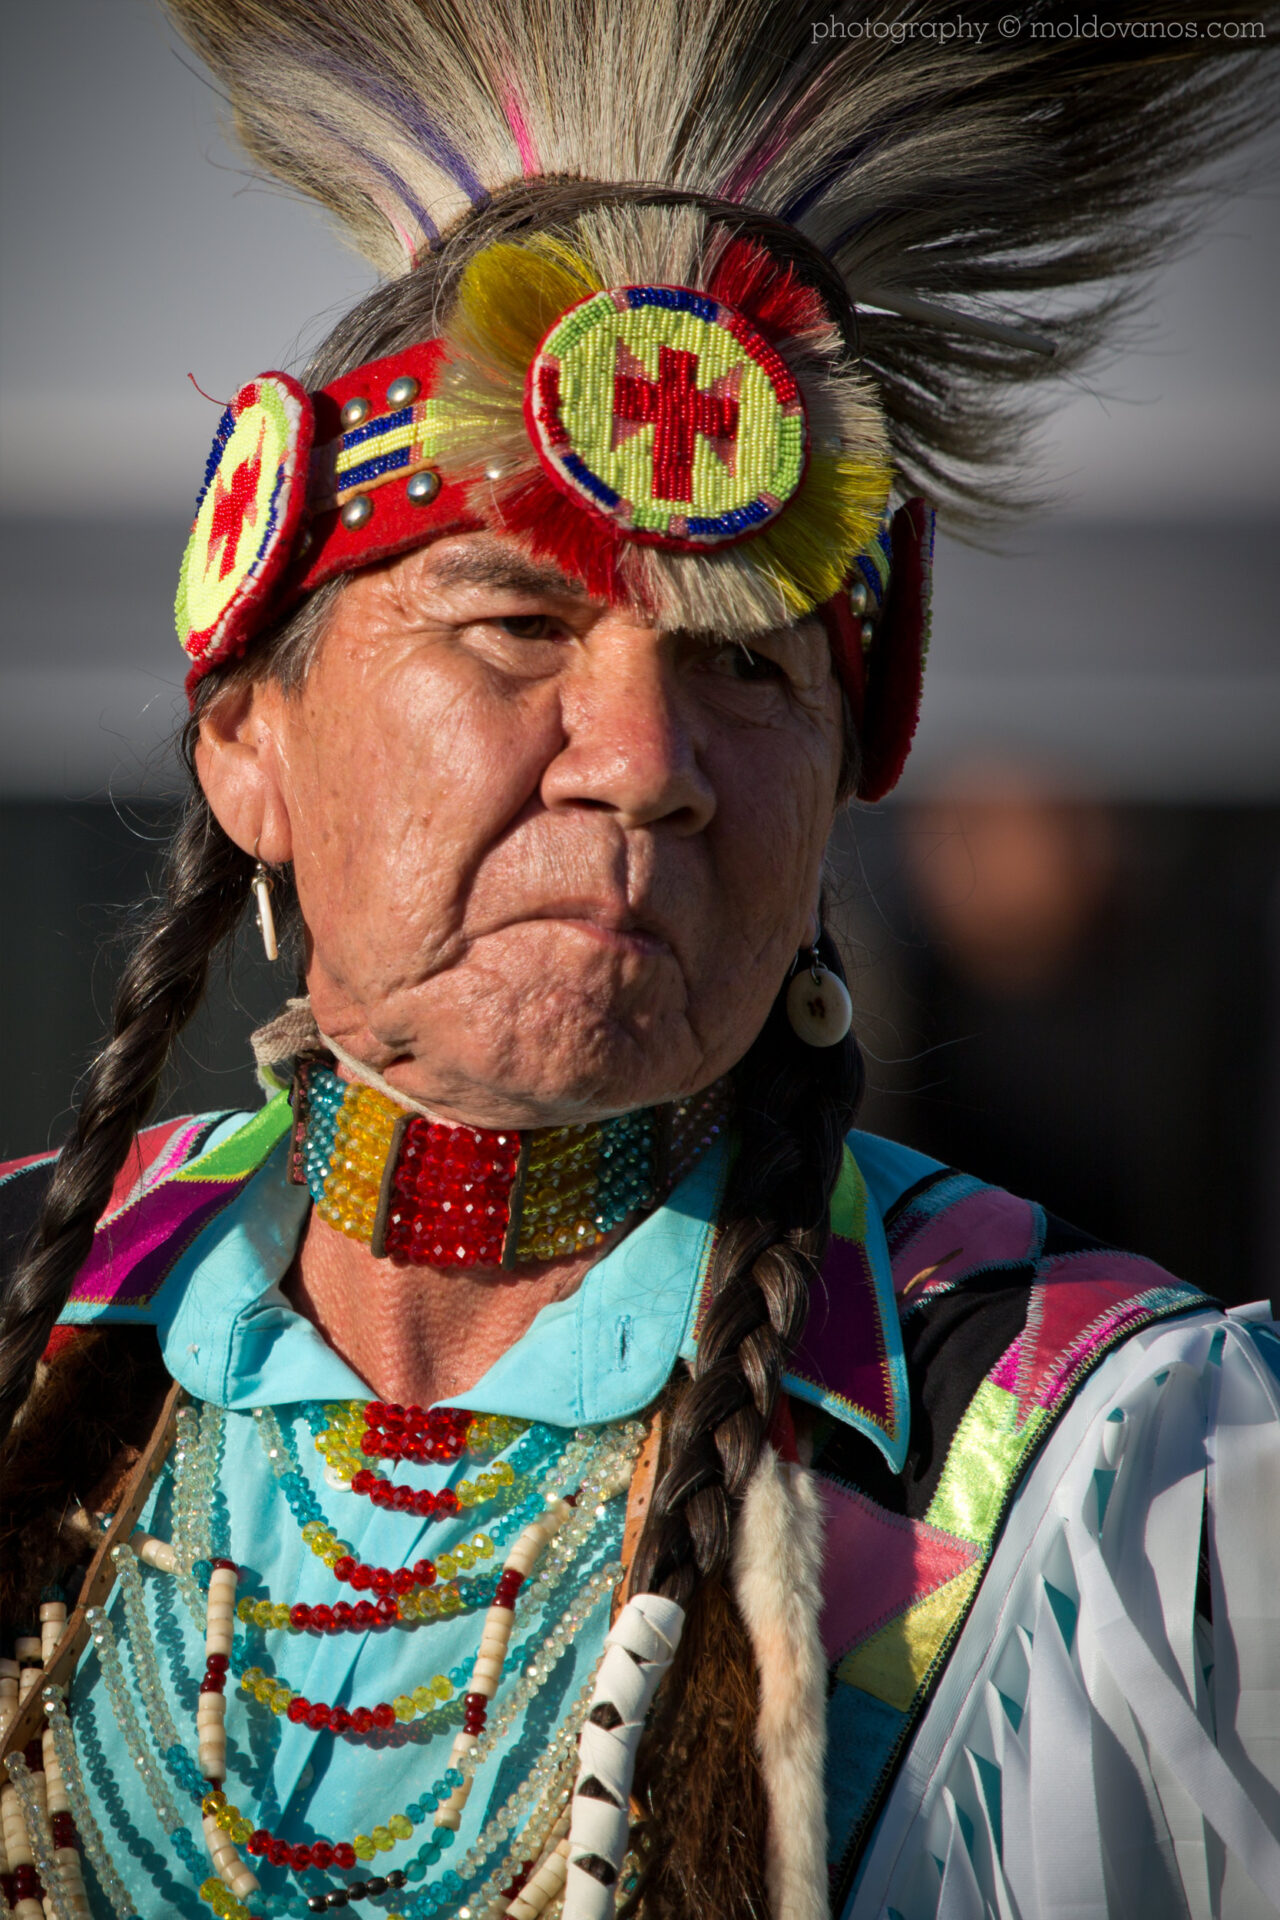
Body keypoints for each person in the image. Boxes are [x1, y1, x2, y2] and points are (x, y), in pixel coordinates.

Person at [1, 4, 1277, 1917]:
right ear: (250, 739)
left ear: (845, 778)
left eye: (749, 668)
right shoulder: (36, 1343)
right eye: (516, 621)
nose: (647, 761)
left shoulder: (1121, 1478)